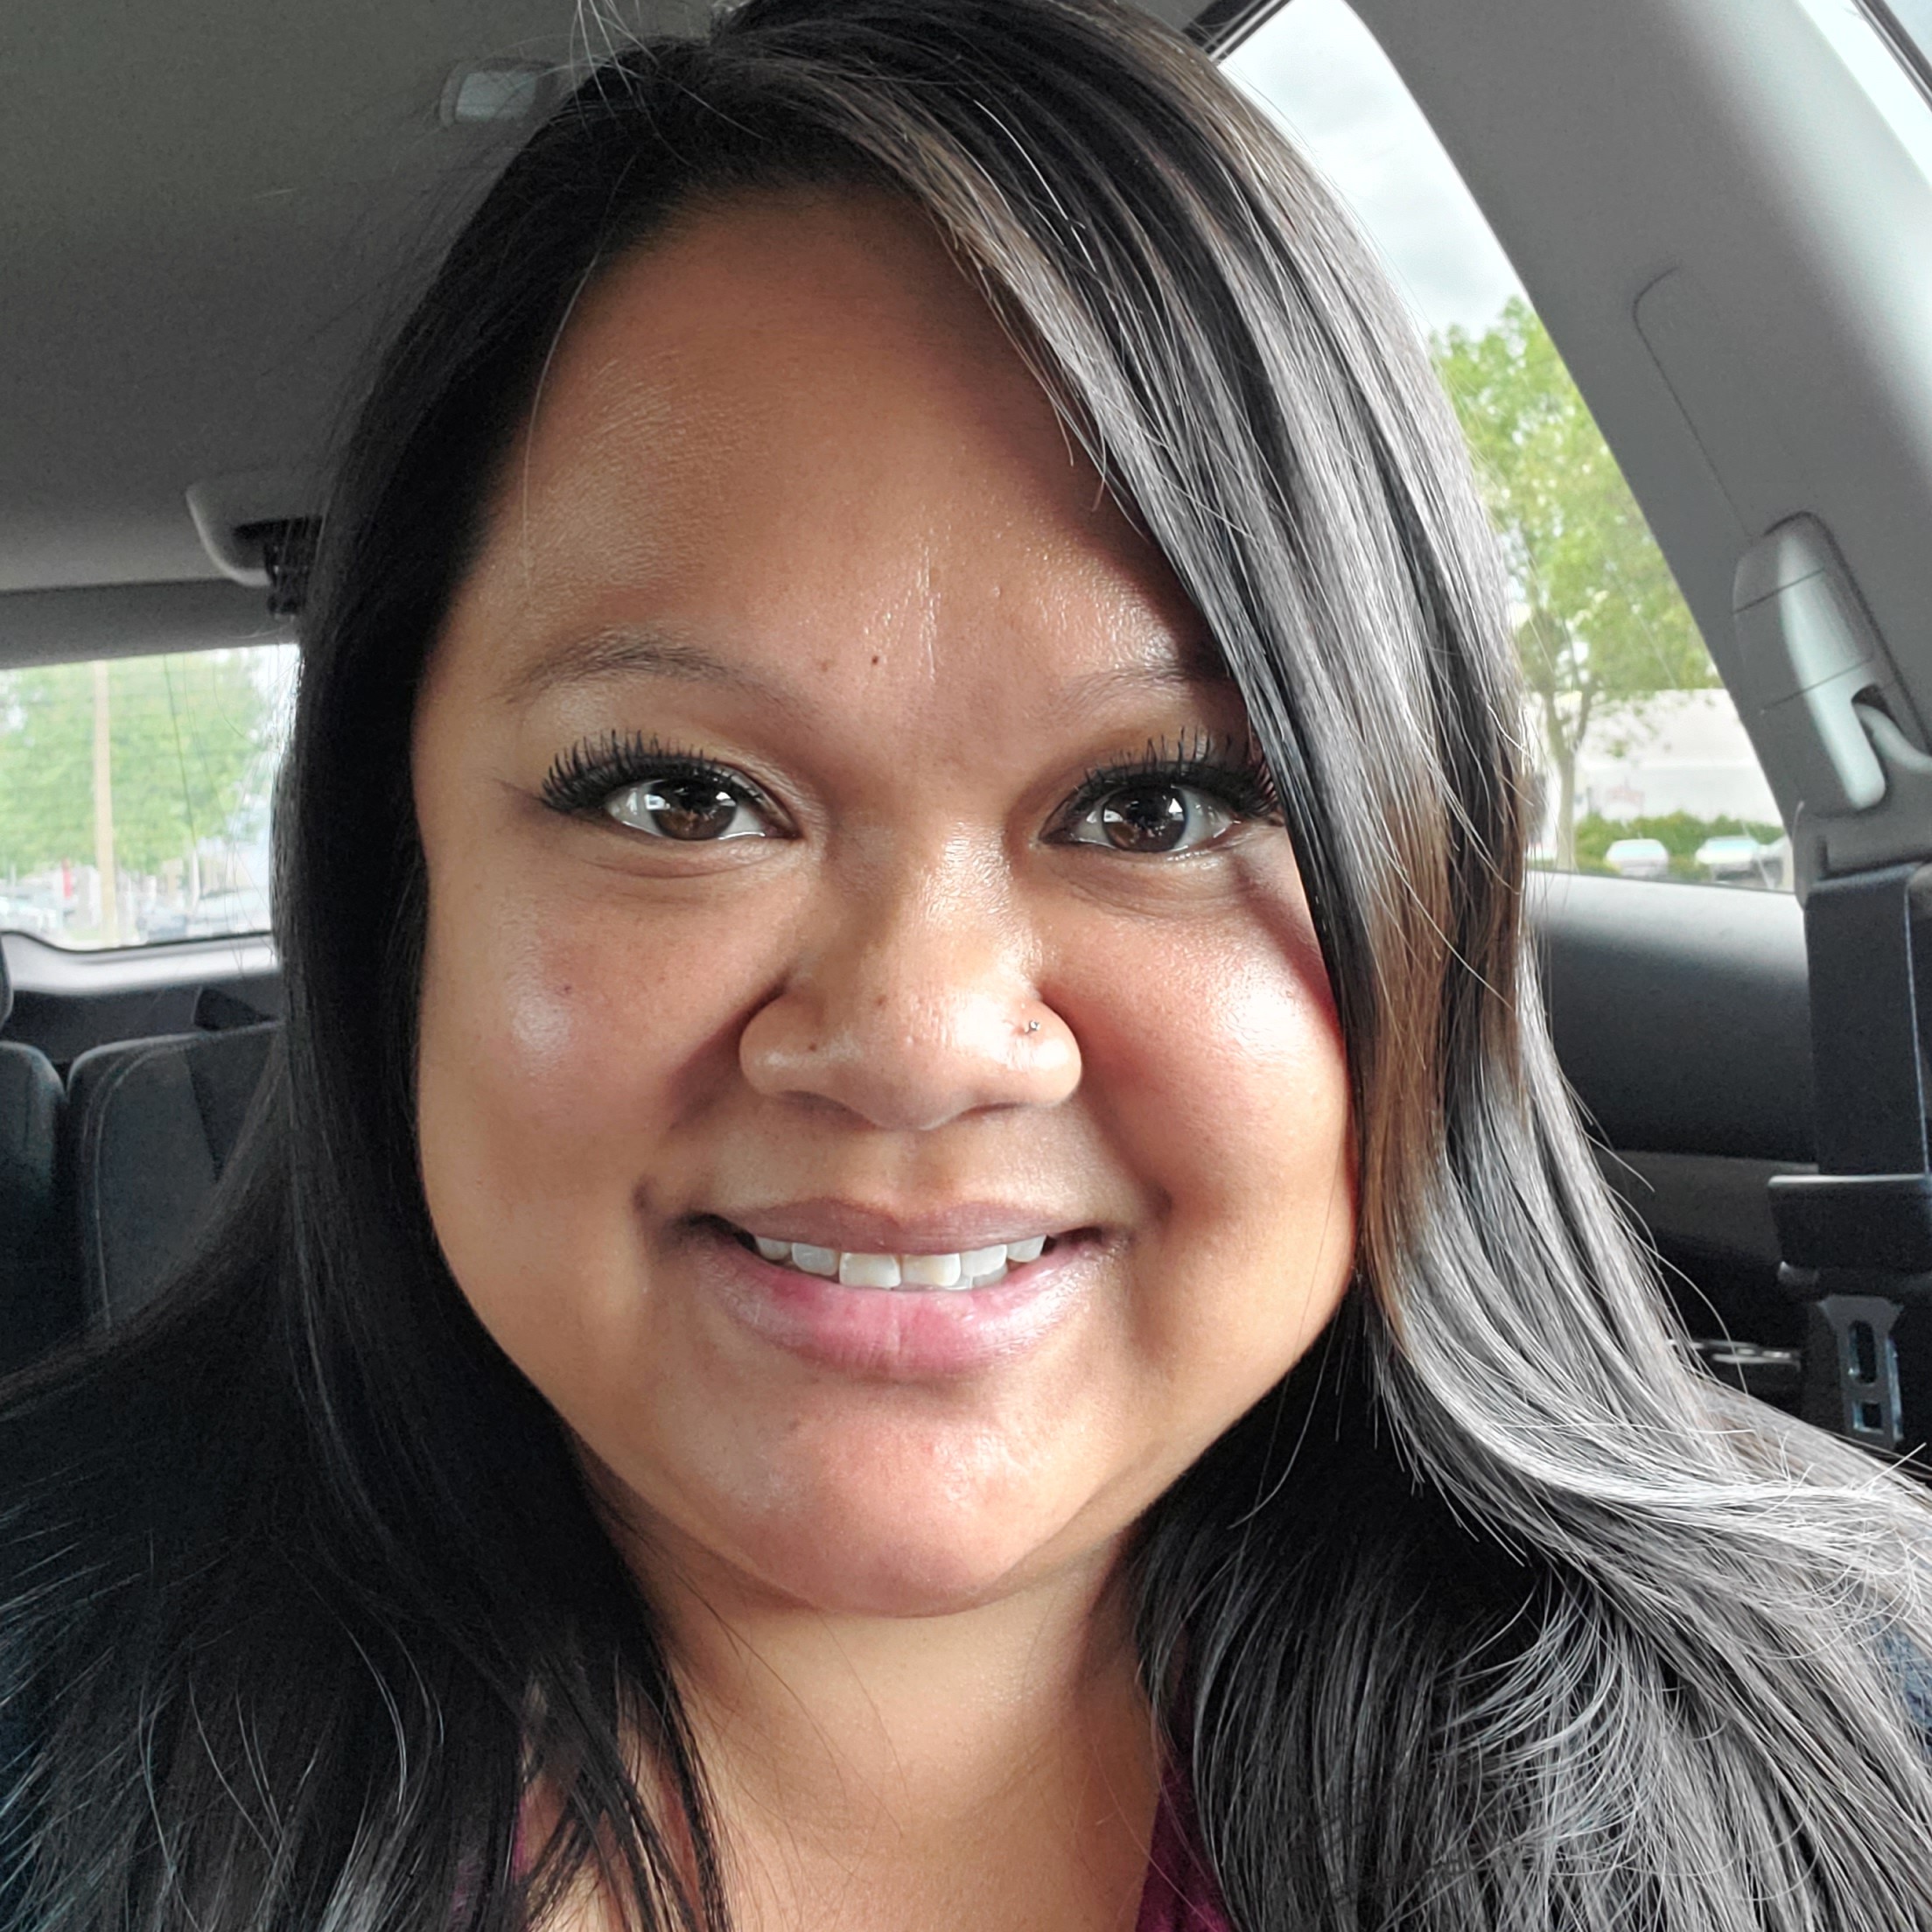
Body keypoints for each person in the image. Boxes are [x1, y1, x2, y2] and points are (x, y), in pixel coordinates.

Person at [4, 0, 1932, 1926]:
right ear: (400, 877)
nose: (919, 1043)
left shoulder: (1857, 1740)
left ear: (1425, 892)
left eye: (1158, 806)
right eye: (681, 798)